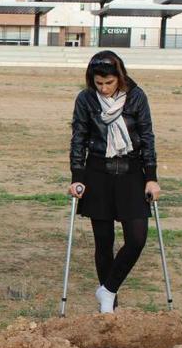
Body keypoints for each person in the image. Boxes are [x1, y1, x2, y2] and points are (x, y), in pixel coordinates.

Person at [68, 50, 160, 314]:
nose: (104, 88)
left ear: (119, 77)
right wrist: (77, 178)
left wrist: (151, 177)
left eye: (109, 83)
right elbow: (79, 139)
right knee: (103, 241)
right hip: (98, 172)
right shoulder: (86, 99)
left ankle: (107, 289)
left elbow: (147, 136)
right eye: (99, 83)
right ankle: (109, 304)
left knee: (137, 238)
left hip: (131, 171)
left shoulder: (136, 97)